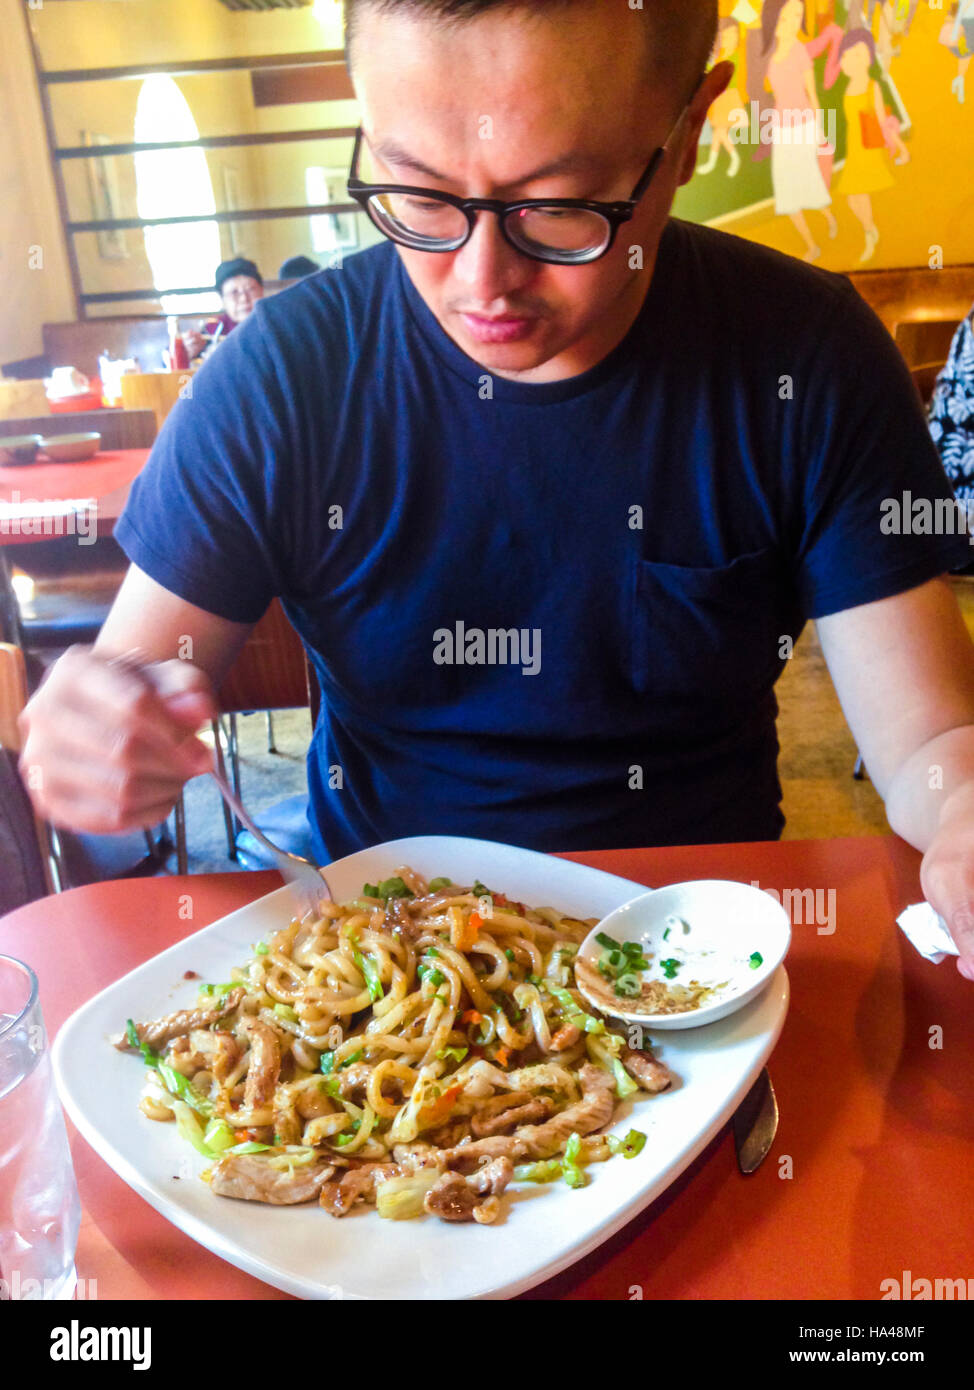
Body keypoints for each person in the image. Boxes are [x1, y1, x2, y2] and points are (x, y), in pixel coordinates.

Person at [18, 0, 974, 981]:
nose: (480, 282)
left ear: (686, 134)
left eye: (557, 207)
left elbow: (928, 740)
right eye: (418, 194)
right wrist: (92, 728)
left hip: (693, 958)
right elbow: (130, 675)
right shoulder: (280, 380)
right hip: (386, 968)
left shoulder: (805, 358)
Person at [762, 0, 838, 263]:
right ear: (777, 19)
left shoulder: (799, 52)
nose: (795, 21)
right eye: (789, 15)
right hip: (783, 129)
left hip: (803, 126)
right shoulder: (769, 55)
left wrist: (817, 131)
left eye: (798, 15)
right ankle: (811, 245)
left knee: (808, 182)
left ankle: (828, 216)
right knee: (786, 191)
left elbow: (812, 95)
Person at [181, 257, 264, 361]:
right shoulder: (213, 329)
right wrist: (188, 352)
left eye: (251, 290)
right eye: (234, 293)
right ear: (222, 299)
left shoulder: (276, 323)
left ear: (262, 291)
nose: (244, 299)